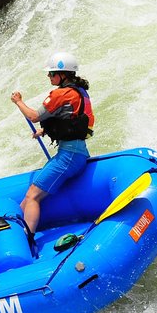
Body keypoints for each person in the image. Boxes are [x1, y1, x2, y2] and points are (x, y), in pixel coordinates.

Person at [10, 51, 95, 241]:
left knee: (32, 195)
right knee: (27, 198)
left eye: (51, 73)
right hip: (76, 153)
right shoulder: (80, 93)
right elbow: (73, 121)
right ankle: (15, 232)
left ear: (62, 75)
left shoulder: (60, 94)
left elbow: (33, 116)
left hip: (68, 156)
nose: (49, 76)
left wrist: (18, 101)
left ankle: (27, 239)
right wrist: (45, 131)